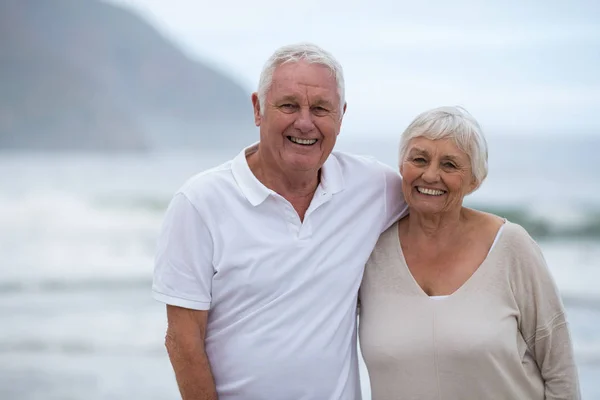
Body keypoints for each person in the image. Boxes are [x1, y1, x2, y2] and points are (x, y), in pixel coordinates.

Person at [152, 42, 408, 400]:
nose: (305, 122)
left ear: (341, 116)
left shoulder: (373, 188)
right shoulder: (200, 202)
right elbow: (182, 339)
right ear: (258, 108)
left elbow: (440, 210)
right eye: (289, 105)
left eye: (321, 108)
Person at [359, 106, 581, 399]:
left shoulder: (510, 246)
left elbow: (560, 372)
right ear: (402, 166)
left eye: (450, 165)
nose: (431, 174)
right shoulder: (369, 252)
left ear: (475, 180)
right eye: (419, 159)